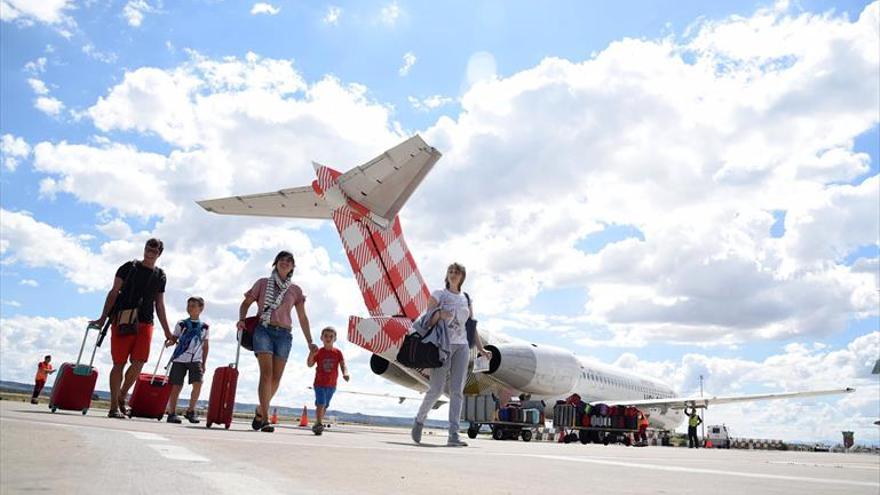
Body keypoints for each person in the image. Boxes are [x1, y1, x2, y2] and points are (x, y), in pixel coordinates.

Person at [90, 238, 174, 419]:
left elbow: (159, 304)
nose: (150, 252)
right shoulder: (128, 267)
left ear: (159, 253)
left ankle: (121, 395)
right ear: (144, 249)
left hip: (146, 322)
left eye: (154, 250)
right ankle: (113, 407)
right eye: (148, 248)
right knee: (118, 363)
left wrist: (167, 331)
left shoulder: (160, 275)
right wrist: (103, 318)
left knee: (139, 362)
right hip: (123, 318)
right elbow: (113, 292)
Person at [411, 262, 492, 447]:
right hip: (442, 345)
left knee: (457, 391)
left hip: (462, 346)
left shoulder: (466, 298)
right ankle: (419, 420)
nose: (453, 274)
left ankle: (453, 434)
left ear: (462, 277)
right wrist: (439, 315)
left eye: (457, 272)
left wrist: (480, 349)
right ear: (447, 275)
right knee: (437, 389)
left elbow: (471, 326)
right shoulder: (439, 294)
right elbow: (426, 321)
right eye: (450, 271)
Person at [237, 250, 316, 433]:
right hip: (263, 329)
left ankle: (260, 409)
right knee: (266, 374)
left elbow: (302, 317)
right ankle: (265, 419)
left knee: (276, 378)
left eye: (289, 261)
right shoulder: (263, 283)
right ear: (275, 263)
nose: (285, 263)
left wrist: (309, 341)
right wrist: (242, 318)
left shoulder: (295, 290)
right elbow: (246, 303)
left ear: (293, 267)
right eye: (282, 260)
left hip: (284, 334)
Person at [165, 296, 210, 424]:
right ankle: (172, 412)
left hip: (195, 360)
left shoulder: (205, 327)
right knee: (176, 385)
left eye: (193, 306)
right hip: (180, 358)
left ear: (201, 308)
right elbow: (175, 337)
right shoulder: (182, 324)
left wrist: (204, 362)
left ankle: (191, 410)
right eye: (189, 305)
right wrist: (170, 342)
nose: (190, 308)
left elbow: (205, 346)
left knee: (198, 383)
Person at [306, 326, 349, 435]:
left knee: (325, 405)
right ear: (321, 338)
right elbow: (309, 364)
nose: (328, 338)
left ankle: (317, 421)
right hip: (319, 383)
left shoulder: (338, 352)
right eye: (326, 336)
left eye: (331, 336)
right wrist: (311, 353)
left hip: (332, 385)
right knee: (321, 402)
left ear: (335, 339)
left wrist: (345, 373)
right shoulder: (319, 352)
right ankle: (319, 424)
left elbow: (343, 364)